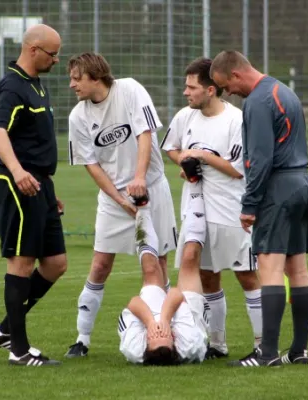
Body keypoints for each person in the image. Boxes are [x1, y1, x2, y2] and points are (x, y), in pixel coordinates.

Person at [65, 52, 177, 357]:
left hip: (152, 190)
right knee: (100, 265)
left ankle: (165, 331)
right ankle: (82, 338)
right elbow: (90, 163)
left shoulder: (129, 90)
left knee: (158, 263)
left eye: (77, 78)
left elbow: (145, 133)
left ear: (95, 75)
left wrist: (139, 179)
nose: (72, 84)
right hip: (114, 201)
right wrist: (120, 199)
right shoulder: (78, 116)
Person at [210, 50, 308, 367]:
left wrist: (249, 204)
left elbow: (259, 159)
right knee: (297, 270)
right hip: (304, 185)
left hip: (278, 189)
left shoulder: (257, 101)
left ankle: (267, 353)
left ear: (235, 75)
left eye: (225, 86)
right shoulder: (283, 90)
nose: (228, 93)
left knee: (269, 269)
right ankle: (299, 351)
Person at [161, 57, 262, 360]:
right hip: (195, 208)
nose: (185, 92)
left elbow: (237, 170)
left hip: (231, 209)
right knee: (207, 276)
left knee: (245, 274)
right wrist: (185, 162)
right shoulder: (185, 117)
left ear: (211, 90)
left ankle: (261, 344)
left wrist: (201, 155)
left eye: (191, 87)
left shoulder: (236, 120)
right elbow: (171, 148)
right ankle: (217, 344)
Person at [0, 24, 67, 367]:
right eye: (53, 54)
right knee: (21, 264)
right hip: (18, 185)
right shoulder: (12, 86)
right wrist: (19, 172)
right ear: (33, 49)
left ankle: (7, 328)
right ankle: (19, 351)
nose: (57, 60)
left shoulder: (37, 86)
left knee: (55, 264)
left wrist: (50, 189)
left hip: (41, 187)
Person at [118, 182, 209, 365]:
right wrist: (166, 320)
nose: (159, 332)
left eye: (154, 336)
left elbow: (134, 302)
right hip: (191, 317)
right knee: (189, 258)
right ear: (174, 338)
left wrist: (151, 322)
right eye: (164, 335)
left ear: (146, 342)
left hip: (148, 318)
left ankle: (142, 206)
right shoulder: (189, 343)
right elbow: (176, 294)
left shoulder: (133, 346)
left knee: (151, 269)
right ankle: (197, 190)